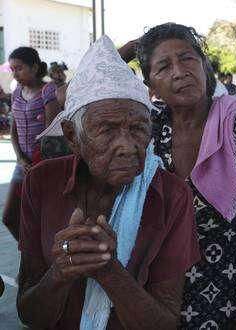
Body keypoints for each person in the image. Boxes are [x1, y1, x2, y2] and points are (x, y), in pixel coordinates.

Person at [17, 35, 200, 330]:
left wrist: (109, 270)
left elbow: (164, 323)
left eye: (139, 128)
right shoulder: (42, 181)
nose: (127, 146)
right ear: (72, 137)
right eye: (107, 130)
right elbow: (30, 314)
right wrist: (60, 273)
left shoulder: (172, 195)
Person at [135, 23, 236, 329]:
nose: (179, 71)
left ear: (204, 65)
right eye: (163, 66)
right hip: (159, 296)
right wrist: (135, 47)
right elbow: (75, 96)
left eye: (187, 58)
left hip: (231, 297)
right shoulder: (147, 128)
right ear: (150, 85)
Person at [2, 47, 60, 241]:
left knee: (45, 219)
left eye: (19, 68)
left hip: (45, 166)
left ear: (34, 67)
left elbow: (50, 133)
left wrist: (37, 163)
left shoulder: (48, 90)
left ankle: (42, 261)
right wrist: (20, 158)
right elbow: (13, 130)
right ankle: (32, 255)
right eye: (12, 69)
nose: (15, 74)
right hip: (23, 165)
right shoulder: (17, 92)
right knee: (10, 217)